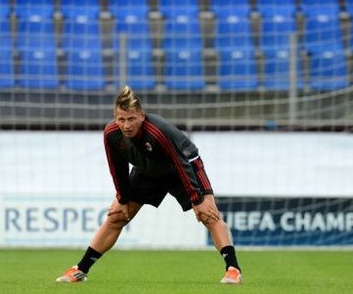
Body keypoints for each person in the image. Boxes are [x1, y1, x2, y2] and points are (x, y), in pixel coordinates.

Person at [56, 86, 242, 284]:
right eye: (121, 119)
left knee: (208, 214)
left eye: (131, 119)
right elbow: (117, 167)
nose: (126, 125)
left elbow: (181, 163)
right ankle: (80, 270)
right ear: (115, 117)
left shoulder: (157, 131)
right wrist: (122, 198)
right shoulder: (111, 133)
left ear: (142, 116)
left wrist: (198, 199)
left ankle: (233, 270)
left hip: (183, 167)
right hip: (147, 170)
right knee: (117, 216)